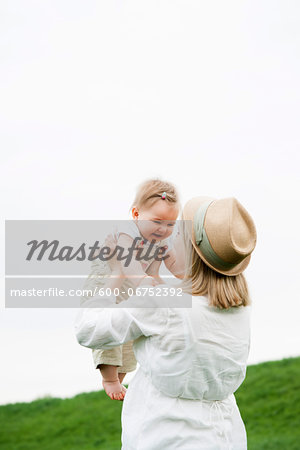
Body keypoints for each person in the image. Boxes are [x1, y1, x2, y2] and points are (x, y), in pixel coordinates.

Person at [75, 195, 257, 449]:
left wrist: (115, 274)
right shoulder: (240, 308)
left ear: (191, 250)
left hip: (166, 436)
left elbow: (89, 330)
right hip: (226, 437)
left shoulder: (163, 304)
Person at [82, 178, 185, 401]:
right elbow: (128, 264)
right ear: (136, 214)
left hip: (133, 286)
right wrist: (143, 282)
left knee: (130, 332)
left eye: (170, 225)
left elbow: (164, 270)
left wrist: (186, 280)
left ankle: (119, 375)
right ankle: (109, 378)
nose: (163, 229)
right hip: (107, 282)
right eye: (157, 221)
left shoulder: (161, 241)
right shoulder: (127, 231)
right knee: (108, 326)